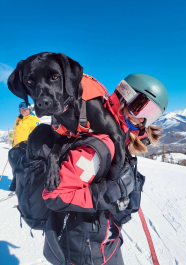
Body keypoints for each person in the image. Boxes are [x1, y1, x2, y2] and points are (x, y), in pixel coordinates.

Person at [12, 74, 169, 265]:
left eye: (151, 115)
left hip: (105, 241)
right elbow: (55, 195)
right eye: (142, 108)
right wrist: (110, 191)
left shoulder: (118, 136)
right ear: (124, 95)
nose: (142, 121)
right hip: (85, 253)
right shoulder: (98, 146)